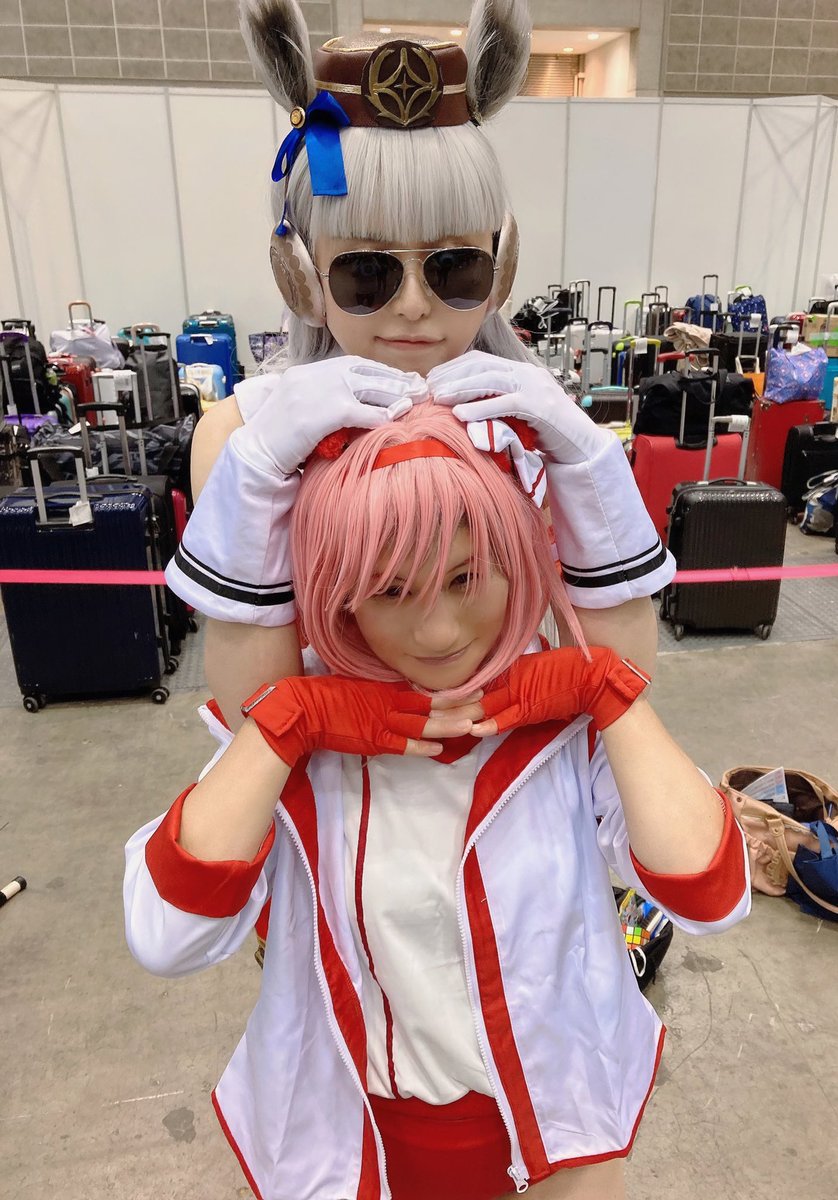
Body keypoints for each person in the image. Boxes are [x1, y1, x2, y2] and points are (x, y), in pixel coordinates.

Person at [126, 402, 750, 1200]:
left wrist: (607, 690)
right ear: (340, 596)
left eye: (465, 578)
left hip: (562, 1136)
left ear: (515, 562)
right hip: (352, 1148)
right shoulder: (298, 740)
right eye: (390, 590)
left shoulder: (560, 726)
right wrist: (290, 723)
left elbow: (711, 893)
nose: (437, 632)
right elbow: (168, 937)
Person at [164, 0, 676, 735]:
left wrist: (588, 461)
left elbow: (623, 685)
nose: (412, 307)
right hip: (338, 782)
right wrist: (262, 466)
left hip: (516, 764)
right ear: (300, 274)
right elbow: (255, 715)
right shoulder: (243, 435)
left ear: (501, 266)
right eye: (366, 273)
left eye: (454, 268)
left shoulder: (534, 422)